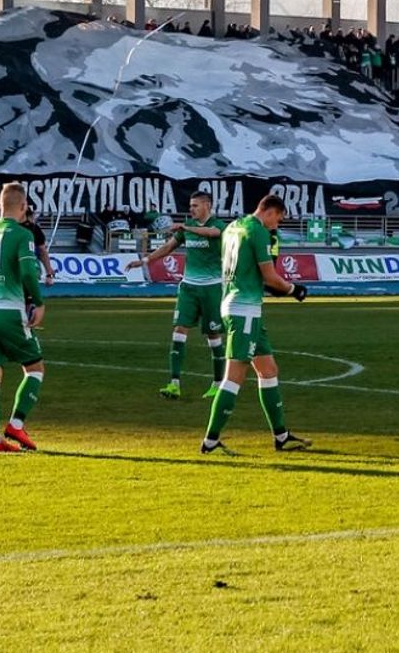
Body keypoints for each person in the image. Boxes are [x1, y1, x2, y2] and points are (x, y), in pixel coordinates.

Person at [200, 195, 313, 456]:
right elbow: (270, 276)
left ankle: (281, 436)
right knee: (234, 377)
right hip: (244, 310)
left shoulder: (232, 227)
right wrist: (294, 289)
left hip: (236, 303)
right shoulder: (258, 231)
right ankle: (211, 441)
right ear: (270, 211)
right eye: (278, 219)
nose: (276, 226)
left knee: (268, 370)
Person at [127, 192, 229, 400]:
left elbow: (213, 233)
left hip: (212, 288)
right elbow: (168, 247)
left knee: (213, 335)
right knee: (179, 330)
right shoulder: (188, 227)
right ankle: (174, 383)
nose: (191, 209)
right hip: (189, 287)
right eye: (190, 205)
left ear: (207, 205)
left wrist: (186, 228)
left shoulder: (217, 225)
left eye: (195, 205)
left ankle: (218, 383)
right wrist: (144, 261)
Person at [0, 182, 48, 452]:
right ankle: (16, 424)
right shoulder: (22, 234)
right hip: (9, 311)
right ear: (24, 206)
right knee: (35, 368)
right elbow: (28, 272)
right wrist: (39, 303)